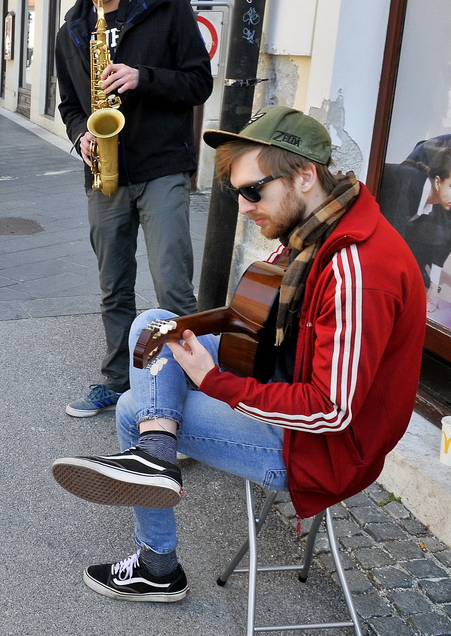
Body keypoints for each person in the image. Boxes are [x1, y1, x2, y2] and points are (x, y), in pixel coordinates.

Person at [51, 106, 427, 603]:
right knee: (153, 324)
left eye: (253, 191)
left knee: (130, 408)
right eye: (237, 193)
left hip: (318, 448)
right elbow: (250, 317)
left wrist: (213, 382)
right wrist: (182, 330)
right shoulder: (312, 231)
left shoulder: (359, 270)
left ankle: (156, 563)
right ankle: (157, 458)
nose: (244, 206)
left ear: (305, 175)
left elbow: (331, 411)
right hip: (276, 370)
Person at [54, 0, 213, 418]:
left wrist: (142, 77)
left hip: (162, 166)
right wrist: (81, 133)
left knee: (172, 285)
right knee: (114, 286)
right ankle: (119, 380)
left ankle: (191, 388)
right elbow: (69, 104)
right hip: (106, 174)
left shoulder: (169, 8)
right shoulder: (72, 31)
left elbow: (197, 84)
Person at [379, 147, 451, 290]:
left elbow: (442, 242)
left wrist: (433, 283)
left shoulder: (439, 203)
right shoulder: (406, 184)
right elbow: (390, 243)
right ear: (437, 182)